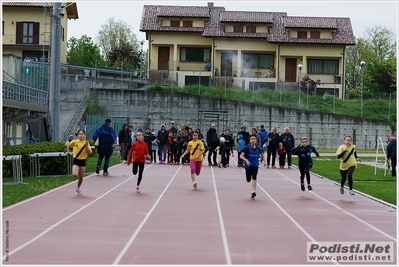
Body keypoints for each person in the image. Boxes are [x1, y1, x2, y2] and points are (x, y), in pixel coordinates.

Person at [240, 134, 266, 198]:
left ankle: (253, 191)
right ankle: (252, 189)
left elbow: (262, 154)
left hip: (255, 165)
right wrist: (246, 160)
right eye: (252, 139)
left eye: (254, 139)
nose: (253, 140)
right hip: (248, 166)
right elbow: (241, 156)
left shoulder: (258, 148)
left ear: (256, 140)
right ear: (249, 141)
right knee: (248, 179)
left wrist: (265, 162)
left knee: (254, 176)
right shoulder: (247, 147)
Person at [67, 129, 93, 195]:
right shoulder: (74, 141)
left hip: (82, 161)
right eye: (79, 134)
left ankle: (78, 188)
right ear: (77, 135)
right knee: (75, 174)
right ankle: (76, 170)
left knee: (81, 178)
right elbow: (68, 145)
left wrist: (86, 146)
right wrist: (68, 152)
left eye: (82, 134)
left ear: (84, 135)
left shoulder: (86, 143)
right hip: (76, 160)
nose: (81, 135)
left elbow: (90, 152)